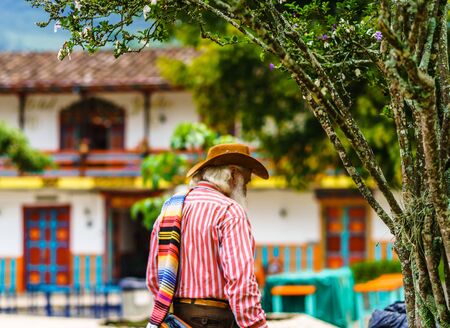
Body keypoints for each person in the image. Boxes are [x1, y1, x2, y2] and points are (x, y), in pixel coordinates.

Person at [146, 143, 269, 328]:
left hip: (178, 317)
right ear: (233, 174)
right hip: (217, 319)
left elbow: (154, 278)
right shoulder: (229, 211)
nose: (245, 189)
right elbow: (241, 282)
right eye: (246, 181)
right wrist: (256, 325)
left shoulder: (170, 208)